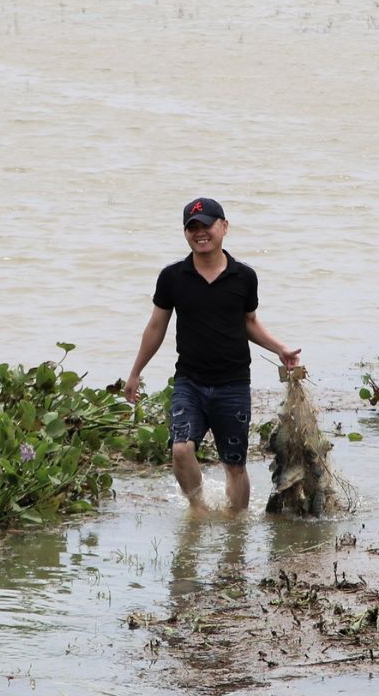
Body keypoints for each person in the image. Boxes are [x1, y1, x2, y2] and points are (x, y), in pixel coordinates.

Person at [124, 198, 301, 513]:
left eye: (207, 225)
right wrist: (136, 372)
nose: (200, 233)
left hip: (233, 383)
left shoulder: (244, 276)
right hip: (189, 382)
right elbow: (155, 327)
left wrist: (281, 349)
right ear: (185, 233)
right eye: (193, 228)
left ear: (224, 226)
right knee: (180, 449)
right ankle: (199, 508)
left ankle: (236, 527)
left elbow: (249, 323)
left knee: (234, 465)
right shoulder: (172, 277)